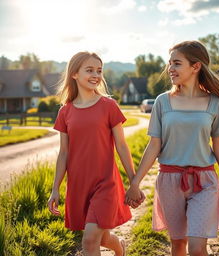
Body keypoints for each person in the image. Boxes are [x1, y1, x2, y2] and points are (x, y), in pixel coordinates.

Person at [125, 41, 219, 256]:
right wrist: (135, 183)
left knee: (197, 249)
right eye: (169, 63)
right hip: (169, 180)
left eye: (177, 63)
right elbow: (154, 145)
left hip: (204, 181)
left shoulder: (214, 103)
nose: (170, 68)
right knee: (178, 245)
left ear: (195, 67)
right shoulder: (162, 102)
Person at [48, 51, 144, 256]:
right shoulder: (65, 111)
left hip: (105, 183)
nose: (96, 75)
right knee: (102, 236)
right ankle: (120, 249)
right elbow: (63, 153)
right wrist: (55, 188)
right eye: (89, 70)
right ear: (74, 74)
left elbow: (122, 145)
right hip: (79, 184)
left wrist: (133, 182)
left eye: (99, 70)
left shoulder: (108, 106)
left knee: (90, 240)